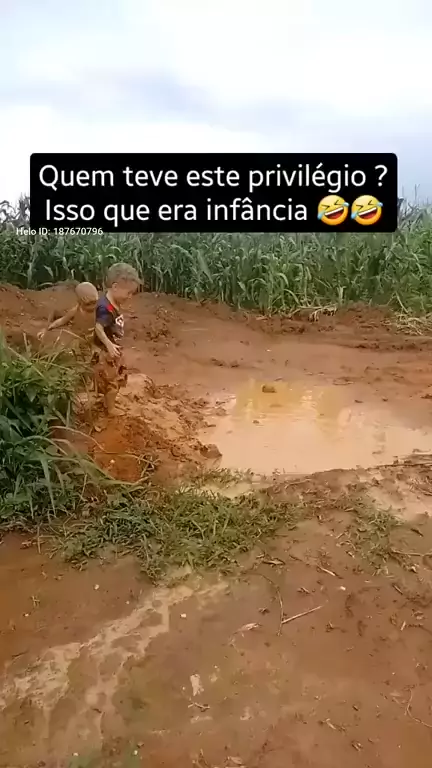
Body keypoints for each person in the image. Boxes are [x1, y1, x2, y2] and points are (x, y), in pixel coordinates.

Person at [92, 262, 141, 415]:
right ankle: (110, 409)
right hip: (106, 352)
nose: (130, 297)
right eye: (128, 293)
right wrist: (109, 345)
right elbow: (98, 327)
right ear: (115, 287)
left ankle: (107, 402)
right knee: (112, 382)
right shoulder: (105, 308)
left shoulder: (111, 304)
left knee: (116, 379)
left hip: (112, 349)